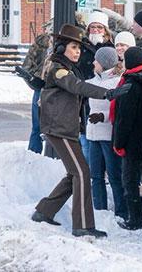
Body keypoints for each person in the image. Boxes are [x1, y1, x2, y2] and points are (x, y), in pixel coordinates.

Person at [32, 24, 129, 238]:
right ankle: (82, 225)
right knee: (82, 172)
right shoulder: (58, 69)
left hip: (64, 128)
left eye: (79, 48)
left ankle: (44, 211)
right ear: (60, 48)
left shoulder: (64, 67)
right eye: (74, 47)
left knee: (74, 173)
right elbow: (78, 87)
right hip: (59, 129)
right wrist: (108, 93)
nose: (77, 52)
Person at [112, 46, 142, 230]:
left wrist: (118, 142)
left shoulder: (129, 84)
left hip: (133, 141)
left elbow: (124, 118)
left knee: (130, 180)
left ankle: (135, 219)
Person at [85, 47, 127, 220]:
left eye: (96, 60)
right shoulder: (90, 82)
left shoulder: (117, 82)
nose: (93, 62)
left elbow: (119, 110)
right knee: (95, 176)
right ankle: (99, 210)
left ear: (103, 63)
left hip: (108, 135)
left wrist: (103, 116)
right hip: (93, 135)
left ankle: (121, 212)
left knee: (115, 175)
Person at [77, 11, 114, 166]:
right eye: (93, 27)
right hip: (84, 96)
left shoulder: (111, 48)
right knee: (86, 139)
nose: (96, 30)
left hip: (104, 97)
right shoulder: (81, 47)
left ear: (105, 30)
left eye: (100, 27)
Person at [21, 21, 51, 154]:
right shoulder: (42, 41)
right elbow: (27, 66)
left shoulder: (70, 44)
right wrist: (35, 82)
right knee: (37, 128)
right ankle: (33, 159)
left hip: (60, 89)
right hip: (42, 87)